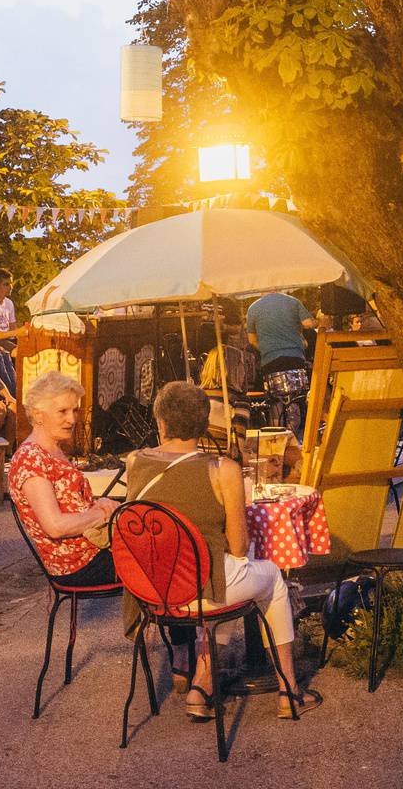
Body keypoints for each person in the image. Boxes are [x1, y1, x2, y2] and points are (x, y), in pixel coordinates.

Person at [123, 381, 316, 721]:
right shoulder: (222, 469)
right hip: (201, 591)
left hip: (151, 591)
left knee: (224, 575)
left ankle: (203, 683)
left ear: (161, 424)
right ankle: (288, 691)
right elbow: (240, 547)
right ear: (203, 425)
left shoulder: (135, 461)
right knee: (267, 578)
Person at [10, 371, 120, 587]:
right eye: (62, 411)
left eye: (75, 410)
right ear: (38, 415)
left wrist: (101, 505)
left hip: (91, 550)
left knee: (163, 540)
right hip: (77, 564)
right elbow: (55, 526)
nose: (72, 419)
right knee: (167, 556)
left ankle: (161, 616)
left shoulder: (53, 450)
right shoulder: (31, 458)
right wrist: (101, 515)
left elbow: (72, 505)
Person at [245, 290, 316, 439]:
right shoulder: (292, 301)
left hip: (270, 361)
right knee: (298, 396)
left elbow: (252, 340)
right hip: (294, 357)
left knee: (275, 400)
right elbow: (308, 324)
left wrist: (267, 348)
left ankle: (279, 436)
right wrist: (317, 322)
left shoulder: (253, 308)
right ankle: (299, 435)